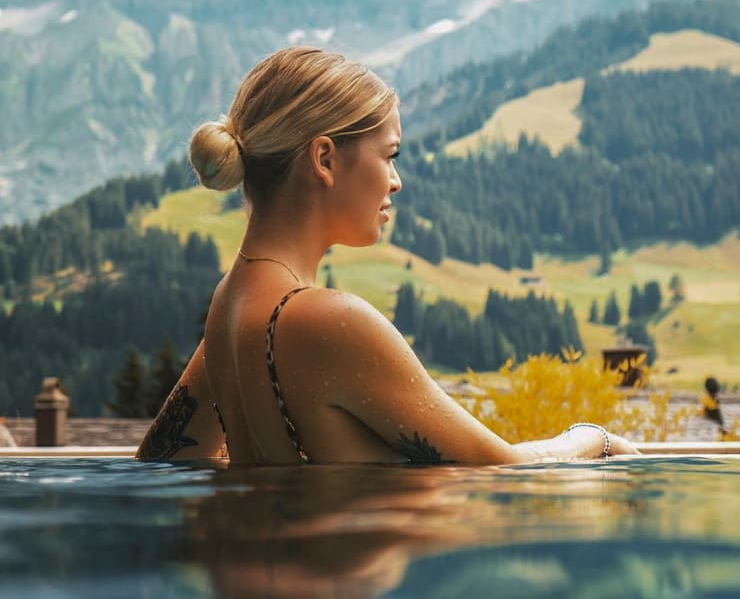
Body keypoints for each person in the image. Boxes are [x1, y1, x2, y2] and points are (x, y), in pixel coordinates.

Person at [136, 47, 638, 465]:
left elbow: (163, 458)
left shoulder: (231, 307)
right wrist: (598, 440)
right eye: (389, 155)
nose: (395, 181)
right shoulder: (328, 320)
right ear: (325, 159)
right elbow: (503, 475)